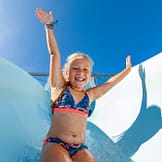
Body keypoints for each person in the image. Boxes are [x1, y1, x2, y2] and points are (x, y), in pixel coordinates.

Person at [36, 8, 132, 162]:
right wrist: (49, 27)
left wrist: (127, 70)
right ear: (67, 73)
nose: (81, 72)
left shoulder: (89, 95)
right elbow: (54, 53)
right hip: (56, 143)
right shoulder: (59, 87)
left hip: (80, 148)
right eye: (75, 68)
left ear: (89, 75)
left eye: (85, 69)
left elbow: (110, 83)